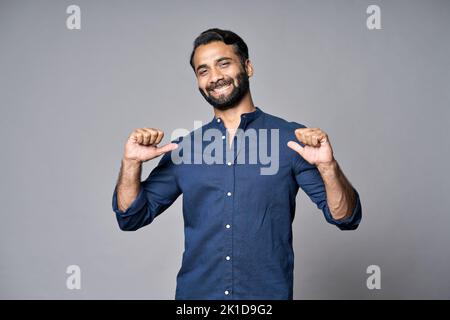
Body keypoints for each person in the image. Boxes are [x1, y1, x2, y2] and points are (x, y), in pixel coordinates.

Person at [112, 28, 362, 300]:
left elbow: (345, 217)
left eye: (224, 63)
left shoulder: (290, 141)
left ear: (248, 67)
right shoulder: (185, 149)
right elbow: (131, 217)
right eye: (203, 70)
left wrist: (328, 167)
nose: (215, 77)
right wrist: (131, 163)